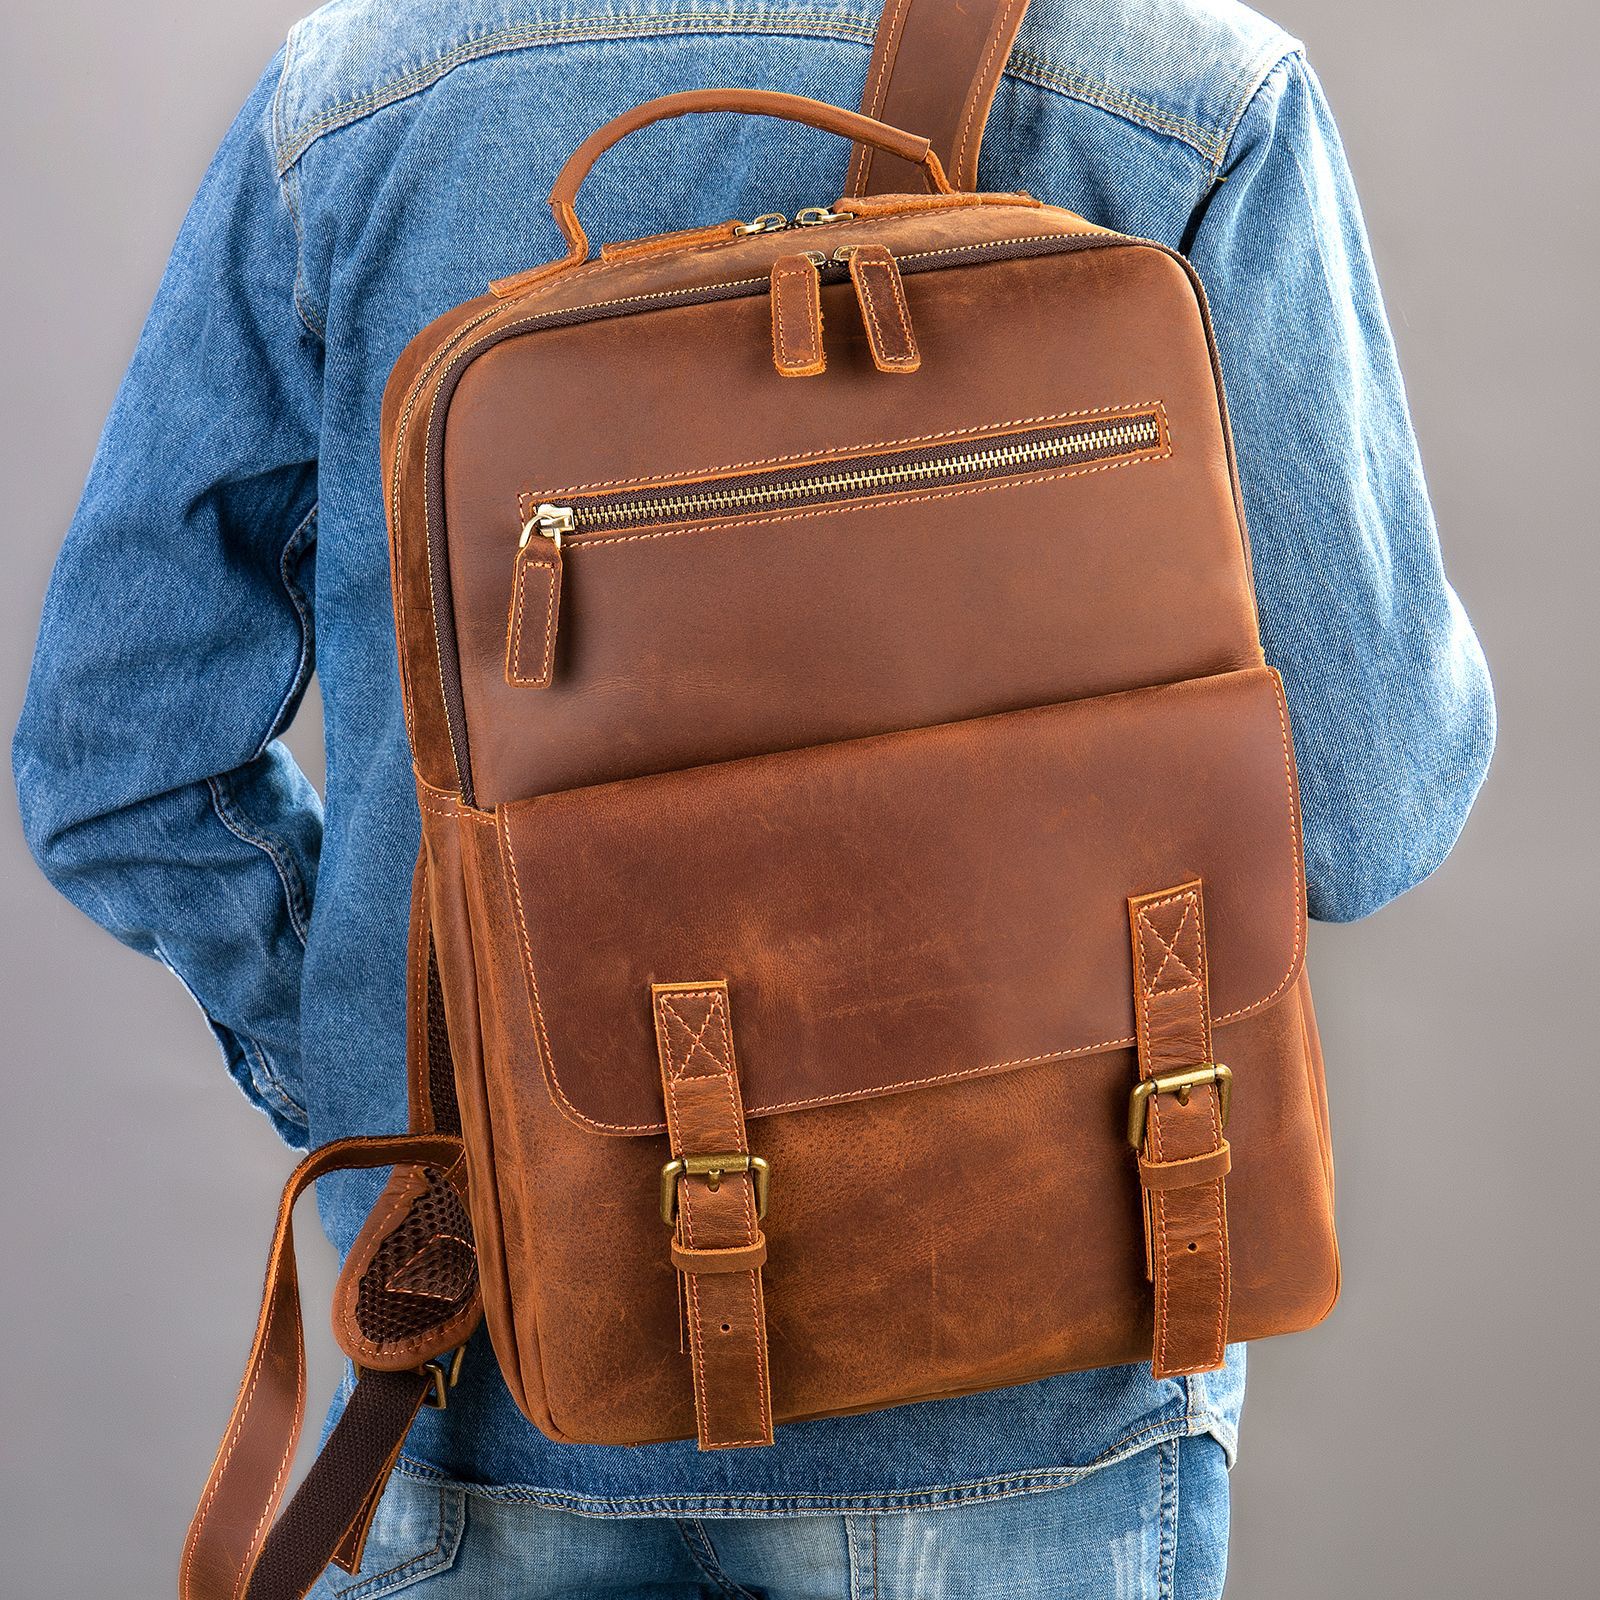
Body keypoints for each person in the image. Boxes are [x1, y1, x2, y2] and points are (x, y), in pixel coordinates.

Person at [13, 2, 1494, 1595]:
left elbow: (119, 756)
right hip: (1034, 1388)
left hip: (498, 1368)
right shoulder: (1190, 92)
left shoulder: (349, 101)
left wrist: (461, 1130)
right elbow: (1372, 811)